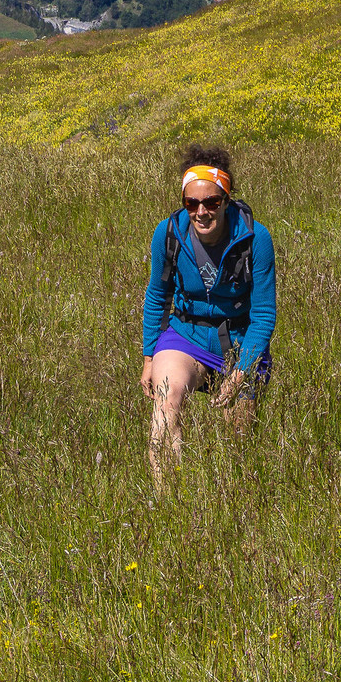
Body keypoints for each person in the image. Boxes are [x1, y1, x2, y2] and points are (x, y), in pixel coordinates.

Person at [141, 144, 277, 483]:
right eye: (192, 203)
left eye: (212, 202)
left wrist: (242, 370)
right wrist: (148, 357)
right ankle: (166, 499)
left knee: (238, 435)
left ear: (226, 200)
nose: (202, 211)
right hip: (185, 335)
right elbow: (158, 296)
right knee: (165, 399)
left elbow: (263, 314)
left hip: (239, 341)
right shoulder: (168, 234)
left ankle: (228, 498)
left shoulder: (255, 238)